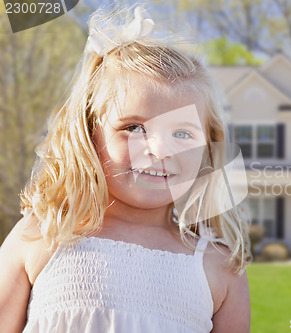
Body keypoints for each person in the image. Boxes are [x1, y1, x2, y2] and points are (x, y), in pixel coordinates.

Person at [0, 4, 251, 333]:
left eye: (181, 134)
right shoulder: (43, 235)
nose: (159, 150)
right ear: (89, 135)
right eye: (134, 128)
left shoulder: (219, 266)